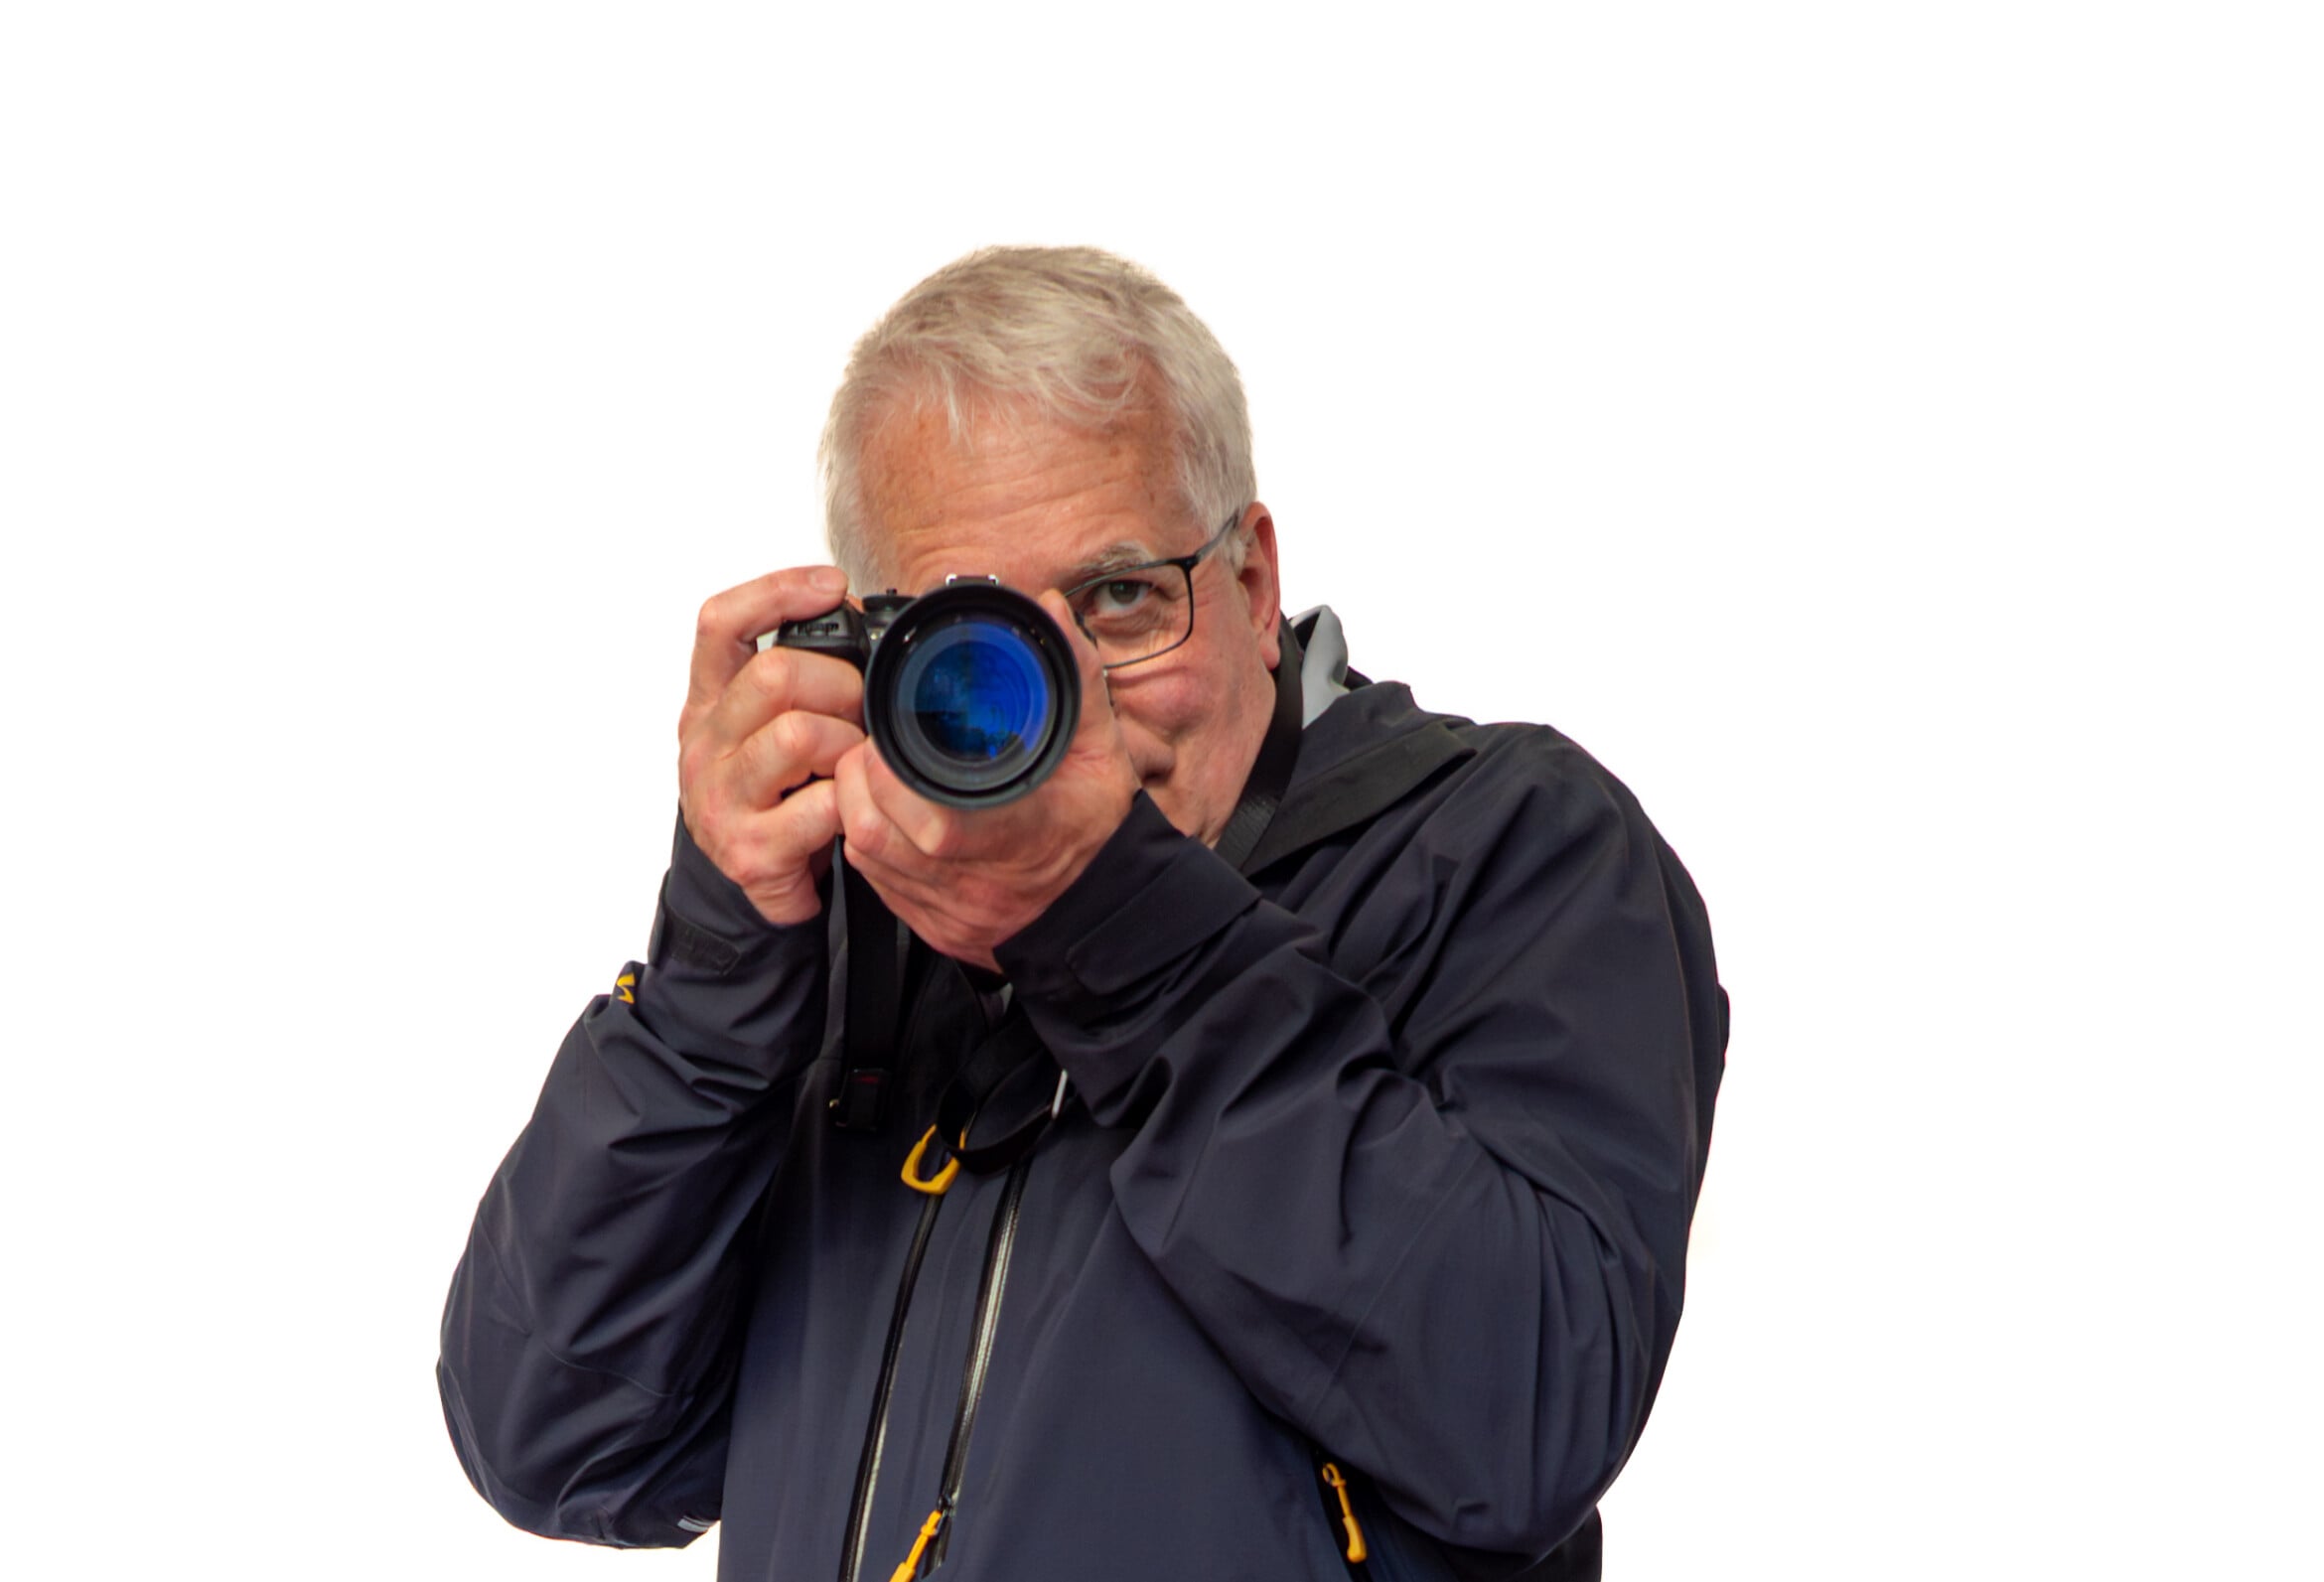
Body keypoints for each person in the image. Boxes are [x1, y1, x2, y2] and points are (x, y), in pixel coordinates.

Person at [437, 245, 1726, 1581]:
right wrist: (716, 980)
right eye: (982, 639)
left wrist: (1111, 925)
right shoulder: (855, 916)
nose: (1071, 719)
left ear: (1250, 577)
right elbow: (562, 1440)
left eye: (1119, 599)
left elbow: (1524, 1413)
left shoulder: (1510, 846)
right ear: (878, 650)